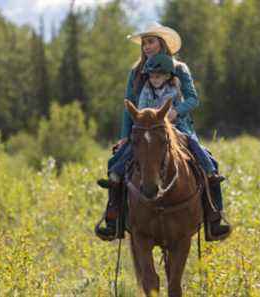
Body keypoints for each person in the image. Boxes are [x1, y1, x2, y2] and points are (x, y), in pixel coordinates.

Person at [95, 22, 231, 242]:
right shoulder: (136, 72)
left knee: (209, 162)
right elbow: (129, 106)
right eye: (144, 43)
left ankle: (215, 218)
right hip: (143, 129)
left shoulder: (180, 69)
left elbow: (193, 99)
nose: (146, 47)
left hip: (180, 127)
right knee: (116, 163)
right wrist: (124, 135)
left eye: (151, 42)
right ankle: (113, 219)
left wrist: (176, 111)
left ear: (162, 43)